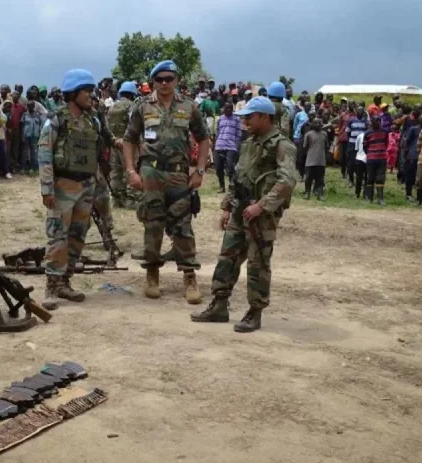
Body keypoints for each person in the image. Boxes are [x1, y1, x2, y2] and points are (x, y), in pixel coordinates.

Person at [191, 97, 297, 333]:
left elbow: (288, 180)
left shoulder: (282, 145)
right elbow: (238, 176)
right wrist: (227, 206)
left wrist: (262, 206)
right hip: (240, 210)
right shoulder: (248, 143)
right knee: (227, 257)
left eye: (249, 116)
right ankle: (219, 305)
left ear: (265, 117)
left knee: (258, 263)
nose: (244, 121)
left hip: (262, 215)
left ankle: (255, 312)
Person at [123, 60, 209, 303]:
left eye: (168, 78)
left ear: (176, 80)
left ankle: (190, 277)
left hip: (179, 174)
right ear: (152, 82)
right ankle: (152, 274)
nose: (164, 83)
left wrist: (199, 171)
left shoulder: (189, 106)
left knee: (183, 225)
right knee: (153, 223)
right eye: (159, 79)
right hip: (151, 172)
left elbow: (203, 139)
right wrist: (131, 171)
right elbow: (129, 139)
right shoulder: (142, 107)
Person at [39, 68, 121, 308]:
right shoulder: (56, 120)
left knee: (77, 235)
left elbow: (109, 140)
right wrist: (47, 188)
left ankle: (65, 282)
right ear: (73, 93)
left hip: (87, 186)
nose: (91, 95)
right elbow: (44, 154)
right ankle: (52, 286)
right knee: (57, 236)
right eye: (86, 90)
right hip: (62, 186)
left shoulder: (93, 120)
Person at [107, 81, 139, 208]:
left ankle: (116, 199)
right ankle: (130, 200)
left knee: (116, 171)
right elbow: (134, 125)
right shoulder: (132, 107)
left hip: (114, 143)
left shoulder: (113, 107)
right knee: (130, 170)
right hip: (128, 144)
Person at [214, 102, 242, 194]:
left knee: (230, 168)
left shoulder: (237, 119)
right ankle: (222, 187)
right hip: (219, 146)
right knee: (218, 168)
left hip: (231, 146)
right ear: (223, 109)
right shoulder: (220, 119)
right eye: (227, 108)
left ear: (232, 109)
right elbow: (217, 132)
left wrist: (237, 146)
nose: (228, 110)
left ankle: (232, 186)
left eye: (230, 108)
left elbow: (239, 134)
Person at [362, 116, 388, 205]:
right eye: (375, 121)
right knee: (370, 178)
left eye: (378, 121)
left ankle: (380, 199)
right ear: (372, 121)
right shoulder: (367, 133)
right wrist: (370, 154)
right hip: (371, 158)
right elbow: (364, 146)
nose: (377, 122)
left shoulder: (384, 132)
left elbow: (386, 143)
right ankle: (369, 198)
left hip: (382, 158)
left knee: (380, 178)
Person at [303, 119, 328, 200]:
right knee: (308, 178)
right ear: (313, 124)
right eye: (316, 123)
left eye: (319, 123)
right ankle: (307, 193)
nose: (318, 124)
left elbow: (326, 146)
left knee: (320, 179)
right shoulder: (308, 134)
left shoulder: (324, 134)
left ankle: (319, 194)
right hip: (310, 160)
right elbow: (305, 147)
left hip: (321, 160)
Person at [345, 106, 368, 190]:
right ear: (356, 111)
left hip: (362, 144)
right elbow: (347, 132)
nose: (360, 112)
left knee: (360, 162)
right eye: (358, 111)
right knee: (351, 163)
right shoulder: (351, 120)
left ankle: (360, 179)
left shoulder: (365, 121)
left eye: (362, 111)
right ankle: (351, 180)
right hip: (352, 143)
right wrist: (351, 140)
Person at [20, 101, 42, 172]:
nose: (30, 107)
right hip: (26, 136)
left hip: (35, 136)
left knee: (34, 152)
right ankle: (23, 168)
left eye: (31, 106)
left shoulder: (38, 115)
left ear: (34, 106)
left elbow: (40, 126)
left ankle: (33, 168)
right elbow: (22, 125)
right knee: (24, 152)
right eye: (28, 106)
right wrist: (22, 136)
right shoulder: (25, 114)